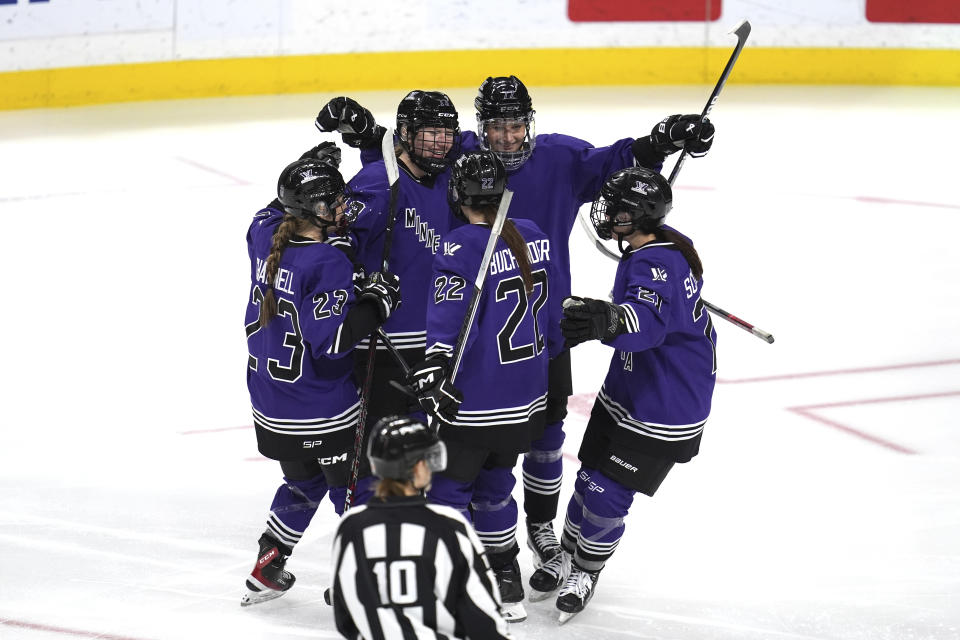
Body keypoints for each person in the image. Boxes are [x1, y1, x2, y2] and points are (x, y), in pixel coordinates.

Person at [321, 78, 717, 581]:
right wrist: (362, 135)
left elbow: (620, 167)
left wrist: (663, 139)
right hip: (475, 333)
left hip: (544, 325)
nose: (506, 138)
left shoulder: (559, 158)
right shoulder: (465, 152)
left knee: (547, 435)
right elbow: (412, 153)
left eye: (515, 126)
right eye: (495, 127)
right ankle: (483, 539)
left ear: (529, 123)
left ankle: (539, 524)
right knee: (487, 453)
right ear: (479, 127)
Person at [533, 166, 717, 622]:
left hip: (665, 404)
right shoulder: (660, 248)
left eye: (616, 206)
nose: (605, 210)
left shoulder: (656, 262)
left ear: (638, 216)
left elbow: (647, 325)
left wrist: (607, 320)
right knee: (588, 477)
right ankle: (570, 554)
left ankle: (587, 569)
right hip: (632, 387)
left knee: (605, 492)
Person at [405, 151, 562, 622]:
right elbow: (552, 324)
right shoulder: (534, 236)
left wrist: (434, 367)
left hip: (476, 399)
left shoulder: (459, 247)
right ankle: (506, 583)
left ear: (459, 196)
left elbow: (452, 322)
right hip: (526, 398)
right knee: (495, 489)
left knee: (448, 490)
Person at [241, 154, 402, 607]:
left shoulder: (263, 237)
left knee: (301, 483)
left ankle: (268, 563)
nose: (342, 208)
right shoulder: (326, 265)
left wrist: (304, 168)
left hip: (272, 405)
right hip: (321, 408)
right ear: (311, 211)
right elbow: (331, 346)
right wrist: (376, 306)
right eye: (332, 202)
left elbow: (269, 209)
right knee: (356, 490)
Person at [316, 90, 464, 439]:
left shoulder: (452, 182)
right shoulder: (378, 183)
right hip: (383, 348)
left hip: (437, 347)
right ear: (406, 133)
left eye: (446, 133)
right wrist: (351, 272)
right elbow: (334, 242)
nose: (440, 142)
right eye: (430, 132)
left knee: (428, 461)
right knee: (385, 463)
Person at [331, 415, 513, 640]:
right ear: (419, 468)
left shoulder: (350, 527)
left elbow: (345, 618)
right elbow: (484, 619)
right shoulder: (449, 525)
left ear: (376, 465)